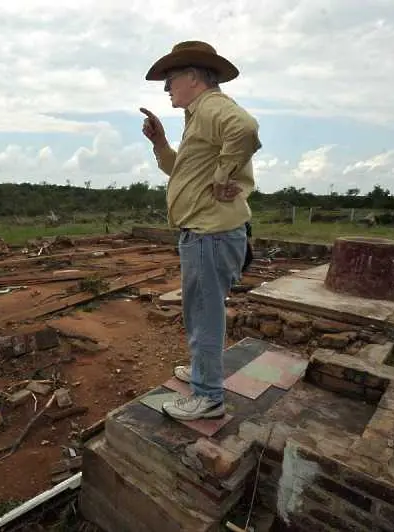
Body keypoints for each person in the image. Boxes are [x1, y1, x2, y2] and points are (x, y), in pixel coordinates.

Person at [140, 41, 262, 421]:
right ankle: (201, 374)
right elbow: (181, 171)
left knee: (205, 313)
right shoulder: (198, 116)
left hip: (211, 234)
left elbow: (245, 128)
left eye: (171, 79)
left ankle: (207, 397)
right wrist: (160, 142)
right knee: (199, 312)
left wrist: (224, 175)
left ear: (193, 77)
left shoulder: (212, 107)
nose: (166, 88)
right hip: (205, 234)